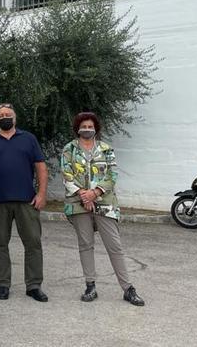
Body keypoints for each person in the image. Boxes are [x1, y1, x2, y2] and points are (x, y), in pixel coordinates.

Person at [61, 112, 145, 306]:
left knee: (114, 246)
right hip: (78, 203)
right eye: (84, 126)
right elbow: (67, 174)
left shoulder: (106, 149)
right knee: (86, 245)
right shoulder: (69, 149)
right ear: (77, 128)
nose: (87, 130)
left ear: (96, 129)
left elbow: (112, 174)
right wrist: (84, 195)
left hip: (105, 202)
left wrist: (95, 193)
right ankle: (90, 286)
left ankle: (128, 288)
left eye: (90, 127)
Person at [0, 104, 49, 302]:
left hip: (27, 200)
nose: (5, 117)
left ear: (15, 118)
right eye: (1, 115)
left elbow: (40, 167)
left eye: (8, 115)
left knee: (33, 243)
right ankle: (3, 284)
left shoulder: (29, 139)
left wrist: (41, 193)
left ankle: (33, 285)